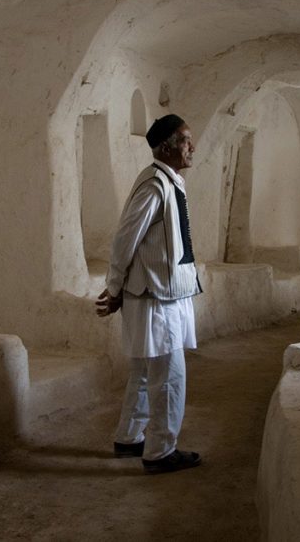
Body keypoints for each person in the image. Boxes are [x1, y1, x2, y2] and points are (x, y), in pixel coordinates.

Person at [95, 114, 203, 475]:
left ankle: (129, 438)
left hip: (163, 295)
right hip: (157, 299)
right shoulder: (155, 185)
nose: (192, 147)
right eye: (186, 140)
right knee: (169, 376)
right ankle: (160, 451)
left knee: (144, 372)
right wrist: (113, 288)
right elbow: (125, 239)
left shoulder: (170, 183)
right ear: (168, 146)